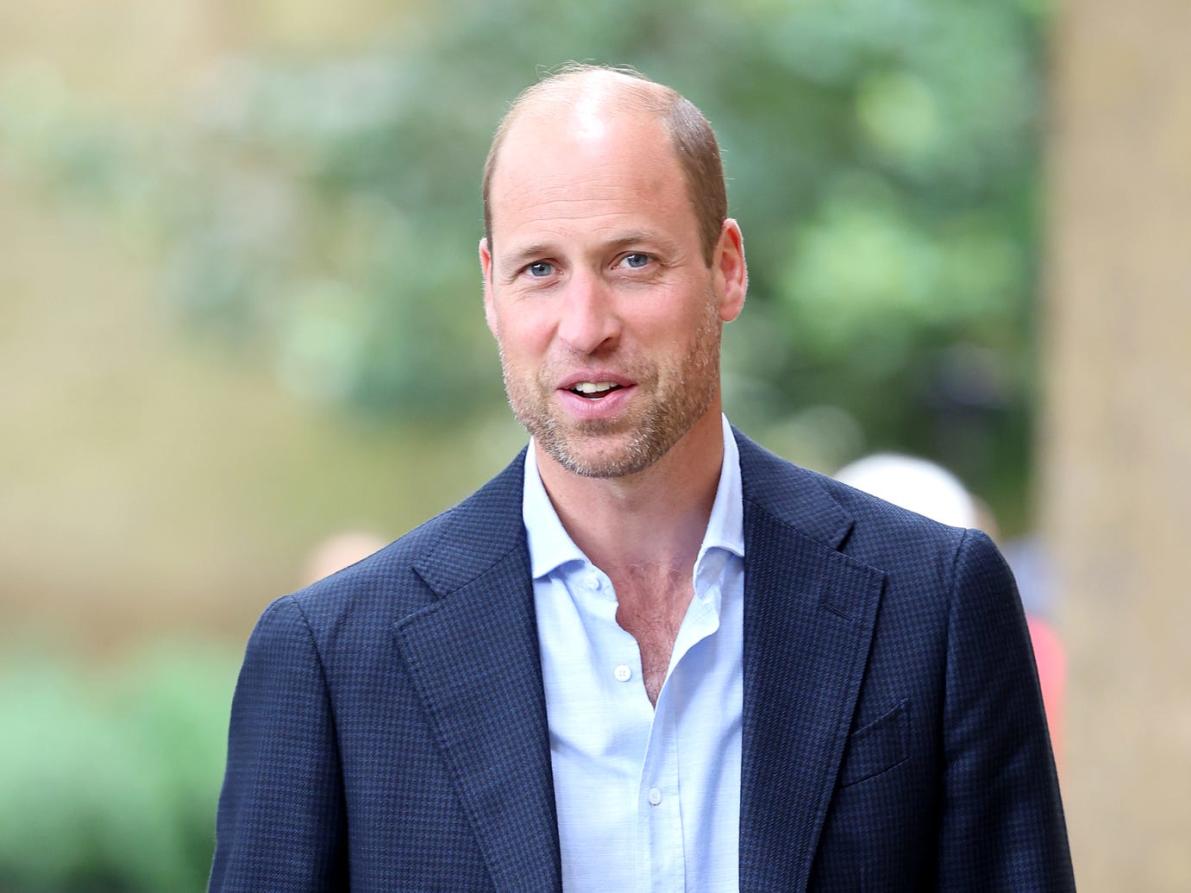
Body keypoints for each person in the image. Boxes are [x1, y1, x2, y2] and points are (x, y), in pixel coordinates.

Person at [209, 64, 1074, 891]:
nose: (584, 327)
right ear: (490, 290)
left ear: (726, 268)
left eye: (632, 261)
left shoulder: (934, 604)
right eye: (540, 269)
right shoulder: (333, 658)